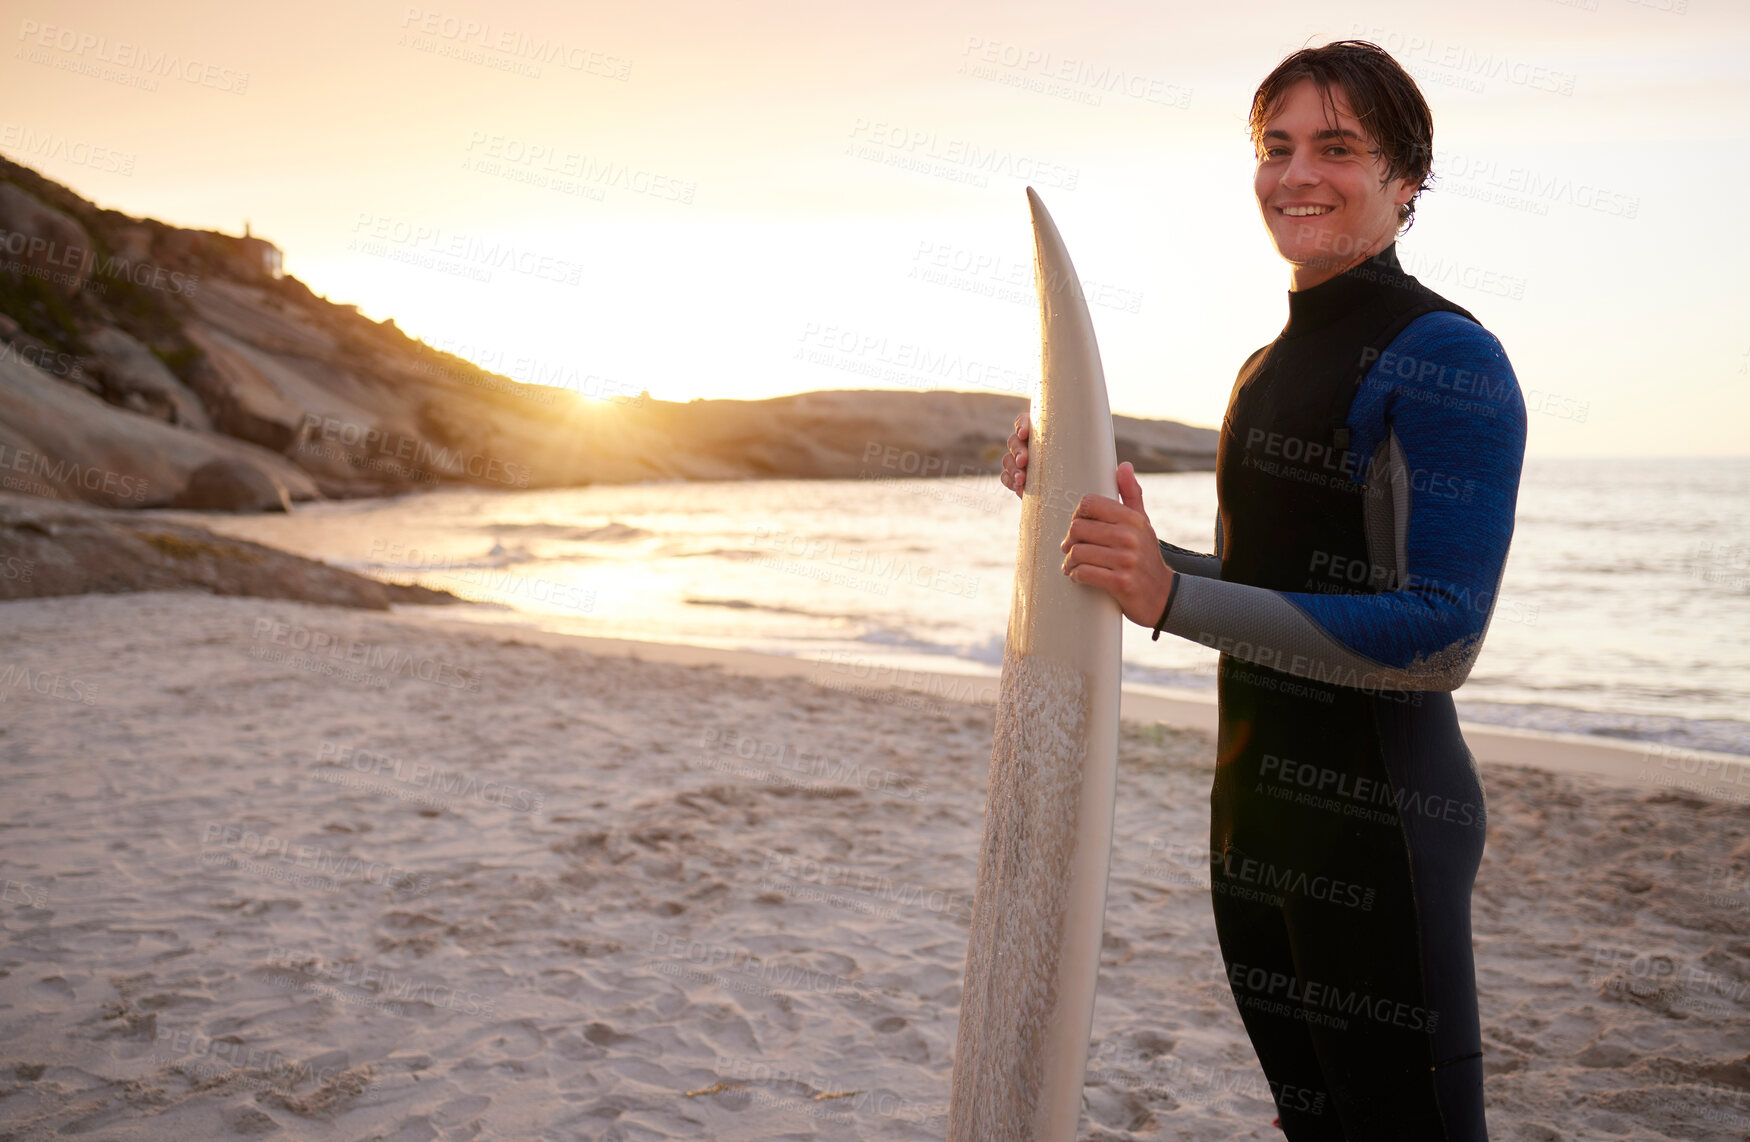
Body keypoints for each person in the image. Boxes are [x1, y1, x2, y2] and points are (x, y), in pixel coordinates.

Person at [1000, 41, 1525, 1142]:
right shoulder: (1260, 368)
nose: (1297, 175)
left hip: (1382, 826)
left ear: (1406, 177)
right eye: (1275, 147)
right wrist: (1098, 525)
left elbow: (1440, 635)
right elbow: (1268, 589)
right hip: (1253, 818)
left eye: (1336, 147)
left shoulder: (1447, 360)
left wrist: (1171, 598)